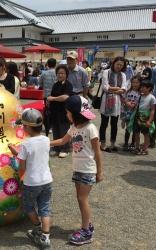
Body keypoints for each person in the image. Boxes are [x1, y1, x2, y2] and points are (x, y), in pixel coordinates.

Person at [50, 95, 103, 245]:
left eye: (68, 112)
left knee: (82, 199)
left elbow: (97, 152)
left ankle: (86, 231)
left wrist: (100, 172)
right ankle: (87, 225)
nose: (66, 114)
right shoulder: (74, 127)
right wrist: (45, 142)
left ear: (76, 114)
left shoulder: (90, 128)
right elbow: (62, 141)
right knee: (80, 199)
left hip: (88, 170)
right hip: (77, 169)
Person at [8, 109, 53, 248]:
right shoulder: (46, 139)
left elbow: (22, 166)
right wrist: (19, 153)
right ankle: (45, 237)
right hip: (47, 181)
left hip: (32, 182)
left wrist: (15, 155)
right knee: (45, 208)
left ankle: (37, 227)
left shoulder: (26, 144)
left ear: (27, 127)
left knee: (28, 206)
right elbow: (36, 155)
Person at [99, 57, 127, 152]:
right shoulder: (106, 72)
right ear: (114, 63)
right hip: (105, 101)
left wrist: (113, 89)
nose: (119, 66)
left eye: (121, 65)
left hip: (117, 103)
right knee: (104, 123)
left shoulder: (123, 75)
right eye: (117, 64)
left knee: (114, 124)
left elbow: (123, 88)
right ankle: (102, 144)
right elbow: (105, 87)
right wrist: (118, 89)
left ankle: (112, 144)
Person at [47, 65, 73, 158]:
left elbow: (65, 97)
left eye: (62, 73)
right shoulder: (55, 84)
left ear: (66, 74)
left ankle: (65, 149)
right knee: (55, 130)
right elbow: (52, 97)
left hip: (64, 112)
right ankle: (56, 148)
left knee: (64, 130)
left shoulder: (68, 84)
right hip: (54, 112)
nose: (60, 75)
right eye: (58, 73)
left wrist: (52, 99)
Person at [130, 81, 156, 155]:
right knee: (136, 133)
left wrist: (150, 120)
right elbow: (136, 105)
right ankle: (137, 147)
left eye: (143, 87)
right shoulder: (139, 96)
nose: (141, 89)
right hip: (137, 117)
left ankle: (145, 149)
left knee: (146, 134)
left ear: (149, 88)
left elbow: (153, 110)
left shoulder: (152, 98)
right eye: (141, 87)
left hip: (146, 118)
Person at [121, 76, 141, 151]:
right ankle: (126, 143)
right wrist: (126, 102)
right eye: (133, 82)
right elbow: (123, 99)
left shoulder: (140, 93)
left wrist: (134, 105)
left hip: (135, 113)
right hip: (127, 112)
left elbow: (140, 102)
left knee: (135, 129)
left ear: (140, 83)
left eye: (137, 82)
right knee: (128, 128)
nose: (135, 84)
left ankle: (133, 143)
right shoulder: (128, 91)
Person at [39, 58, 57, 136]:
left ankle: (48, 127)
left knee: (47, 112)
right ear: (55, 64)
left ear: (48, 64)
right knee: (55, 111)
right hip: (56, 96)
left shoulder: (44, 73)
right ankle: (54, 127)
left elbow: (40, 84)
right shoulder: (58, 73)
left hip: (46, 95)